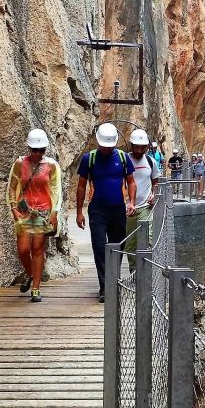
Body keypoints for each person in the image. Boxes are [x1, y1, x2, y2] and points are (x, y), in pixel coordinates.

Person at [76, 123, 137, 302]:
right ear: (98, 143)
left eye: (110, 146)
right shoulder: (90, 158)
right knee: (99, 246)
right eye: (104, 146)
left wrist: (131, 202)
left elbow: (131, 182)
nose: (107, 149)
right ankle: (105, 287)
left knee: (118, 246)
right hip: (97, 210)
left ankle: (113, 280)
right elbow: (81, 186)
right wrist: (79, 212)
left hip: (118, 209)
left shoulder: (123, 158)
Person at [6, 129, 62, 303]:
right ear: (29, 149)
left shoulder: (51, 165)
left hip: (43, 211)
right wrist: (13, 208)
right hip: (24, 211)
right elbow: (12, 185)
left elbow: (56, 189)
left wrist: (54, 212)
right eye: (35, 150)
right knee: (23, 249)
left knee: (37, 249)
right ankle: (29, 274)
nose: (38, 153)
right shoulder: (19, 163)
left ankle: (36, 289)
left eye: (41, 150)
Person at [122, 129, 161, 270]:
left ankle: (146, 271)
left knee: (147, 240)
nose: (139, 150)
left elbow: (155, 182)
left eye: (142, 147)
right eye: (136, 146)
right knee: (131, 243)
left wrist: (153, 193)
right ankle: (134, 272)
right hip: (128, 209)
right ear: (131, 145)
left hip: (146, 207)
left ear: (146, 147)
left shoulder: (150, 161)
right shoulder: (124, 159)